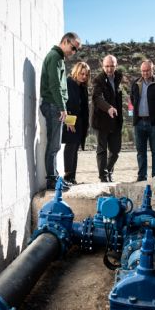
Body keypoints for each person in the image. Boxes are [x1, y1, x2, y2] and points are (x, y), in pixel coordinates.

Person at [40, 32, 82, 191]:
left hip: (55, 105)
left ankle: (55, 177)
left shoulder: (58, 58)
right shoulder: (54, 58)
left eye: (76, 50)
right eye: (73, 48)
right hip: (53, 105)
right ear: (65, 41)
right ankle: (52, 180)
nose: (74, 52)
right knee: (54, 145)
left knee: (55, 144)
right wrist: (62, 107)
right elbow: (55, 85)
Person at [91, 55, 123, 182]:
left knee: (115, 151)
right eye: (107, 66)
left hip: (115, 120)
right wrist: (108, 108)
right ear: (103, 66)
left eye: (112, 66)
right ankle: (103, 176)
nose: (109, 69)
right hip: (101, 121)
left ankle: (108, 170)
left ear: (116, 65)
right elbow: (97, 98)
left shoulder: (118, 77)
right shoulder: (98, 80)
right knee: (102, 149)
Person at [62, 62, 90, 185]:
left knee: (75, 149)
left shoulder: (82, 87)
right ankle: (67, 177)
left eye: (86, 74)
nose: (84, 76)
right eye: (81, 73)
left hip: (80, 122)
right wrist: (68, 121)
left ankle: (72, 177)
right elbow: (65, 103)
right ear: (76, 72)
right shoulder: (69, 83)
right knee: (70, 147)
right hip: (70, 120)